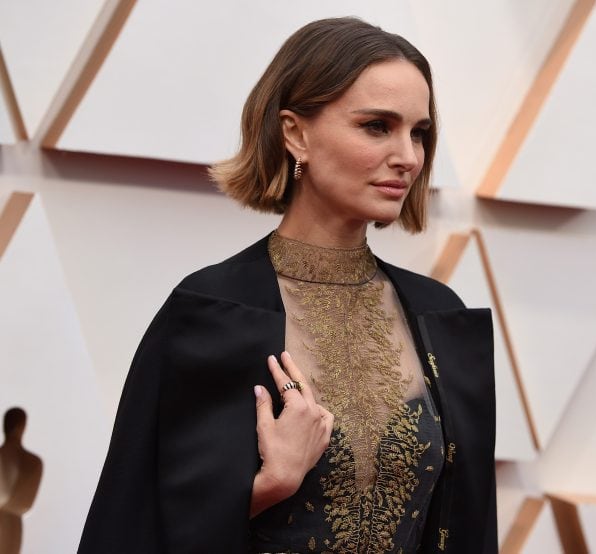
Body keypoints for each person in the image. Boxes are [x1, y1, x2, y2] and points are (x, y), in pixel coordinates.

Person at [78, 17, 496, 553]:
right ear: (295, 133)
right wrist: (267, 486)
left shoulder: (441, 315)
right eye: (376, 126)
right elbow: (130, 529)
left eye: (418, 132)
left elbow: (469, 529)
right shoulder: (208, 313)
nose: (409, 156)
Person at [0, 408, 43, 554]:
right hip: (11, 521)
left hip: (13, 522)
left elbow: (25, 502)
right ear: (22, 426)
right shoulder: (34, 462)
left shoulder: (34, 461)